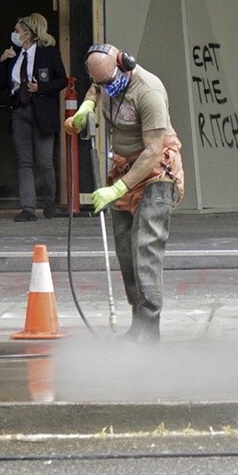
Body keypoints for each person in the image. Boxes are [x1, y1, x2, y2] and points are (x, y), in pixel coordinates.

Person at [64, 43, 184, 343]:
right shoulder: (104, 81)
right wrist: (87, 107)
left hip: (157, 172)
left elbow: (154, 151)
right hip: (123, 166)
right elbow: (95, 88)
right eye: (100, 82)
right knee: (125, 251)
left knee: (145, 247)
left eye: (108, 81)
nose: (105, 87)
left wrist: (118, 188)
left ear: (124, 63)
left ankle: (150, 328)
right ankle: (137, 322)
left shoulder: (148, 92)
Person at [0, 13, 67, 222]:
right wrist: (1, 61)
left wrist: (41, 87)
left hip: (42, 111)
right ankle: (28, 207)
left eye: (17, 31)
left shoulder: (49, 53)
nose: (14, 34)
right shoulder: (13, 54)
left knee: (44, 161)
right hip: (19, 110)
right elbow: (1, 84)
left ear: (28, 33)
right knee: (23, 160)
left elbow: (61, 79)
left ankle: (50, 200)